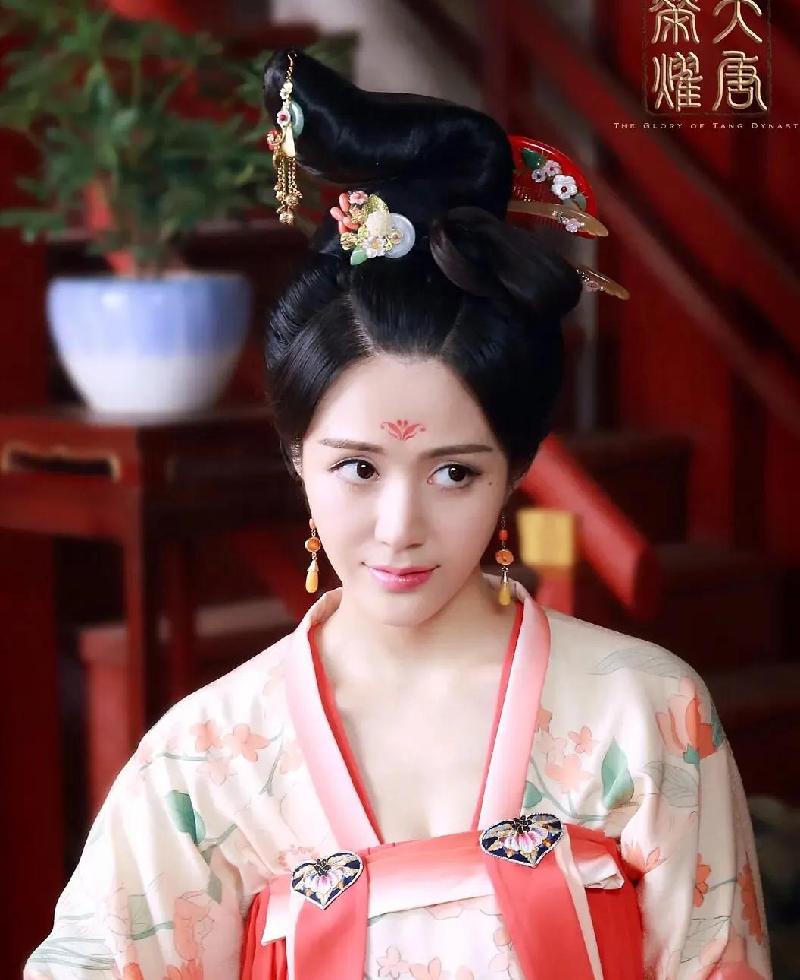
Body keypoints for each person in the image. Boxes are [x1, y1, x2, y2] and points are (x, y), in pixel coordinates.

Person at [25, 48, 771, 980]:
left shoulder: (646, 713)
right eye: (357, 468)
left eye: (454, 472)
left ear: (516, 472)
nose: (398, 526)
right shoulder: (204, 760)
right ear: (297, 459)